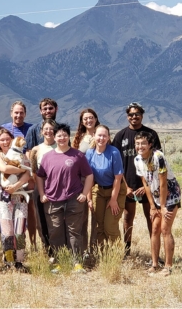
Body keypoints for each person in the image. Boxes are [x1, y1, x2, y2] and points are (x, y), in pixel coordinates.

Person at [36, 123, 93, 273]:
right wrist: (42, 194)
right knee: (55, 231)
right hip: (53, 200)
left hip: (74, 198)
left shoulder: (77, 155)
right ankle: (58, 262)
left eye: (65, 135)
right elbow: (40, 176)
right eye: (59, 135)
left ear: (69, 136)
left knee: (74, 231)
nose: (62, 138)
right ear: (54, 137)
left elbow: (89, 175)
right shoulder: (47, 157)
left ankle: (76, 262)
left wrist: (85, 193)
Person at [112, 102, 161, 257]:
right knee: (128, 217)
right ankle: (126, 252)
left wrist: (147, 185)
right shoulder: (121, 136)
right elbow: (116, 163)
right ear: (127, 117)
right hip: (129, 185)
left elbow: (157, 161)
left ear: (142, 115)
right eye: (131, 114)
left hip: (148, 185)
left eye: (137, 114)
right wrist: (125, 186)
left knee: (151, 217)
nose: (134, 116)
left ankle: (155, 253)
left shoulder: (151, 134)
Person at [134, 131, 181, 276]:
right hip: (155, 196)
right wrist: (153, 207)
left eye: (143, 143)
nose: (140, 146)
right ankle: (154, 264)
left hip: (170, 194)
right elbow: (146, 184)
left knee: (165, 229)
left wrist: (163, 207)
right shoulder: (137, 160)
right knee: (155, 229)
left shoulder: (158, 157)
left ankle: (168, 266)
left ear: (150, 145)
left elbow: (163, 183)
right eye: (137, 143)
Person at [0, 129, 31, 271]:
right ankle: (8, 261)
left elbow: (28, 175)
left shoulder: (22, 155)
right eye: (2, 140)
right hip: (3, 196)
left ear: (13, 140)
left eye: (8, 139)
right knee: (7, 231)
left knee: (20, 230)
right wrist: (23, 168)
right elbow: (5, 168)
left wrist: (16, 186)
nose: (5, 142)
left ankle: (19, 261)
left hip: (19, 194)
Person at [0, 100, 36, 250]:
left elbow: (32, 152)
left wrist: (31, 174)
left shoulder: (31, 129)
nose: (18, 115)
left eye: (21, 112)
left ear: (25, 114)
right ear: (11, 113)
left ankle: (32, 244)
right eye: (16, 112)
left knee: (30, 212)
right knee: (7, 215)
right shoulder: (4, 129)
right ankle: (10, 246)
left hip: (27, 176)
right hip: (9, 176)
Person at [85, 125, 126, 248]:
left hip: (116, 190)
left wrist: (113, 200)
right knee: (99, 225)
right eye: (99, 135)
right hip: (98, 190)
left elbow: (118, 179)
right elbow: (89, 178)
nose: (101, 138)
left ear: (108, 137)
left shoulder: (114, 152)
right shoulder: (89, 153)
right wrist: (89, 199)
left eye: (104, 136)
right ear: (94, 136)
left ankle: (117, 253)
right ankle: (102, 253)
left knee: (110, 225)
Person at [72, 108, 100, 255]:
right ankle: (82, 251)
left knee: (96, 217)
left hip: (99, 181)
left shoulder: (102, 134)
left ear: (95, 118)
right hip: (82, 181)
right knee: (81, 217)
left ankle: (94, 249)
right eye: (85, 119)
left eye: (91, 118)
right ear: (82, 122)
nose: (88, 121)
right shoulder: (79, 138)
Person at [29, 119, 57, 254]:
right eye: (46, 129)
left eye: (51, 129)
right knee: (41, 219)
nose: (48, 131)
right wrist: (40, 188)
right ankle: (47, 249)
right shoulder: (36, 149)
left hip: (58, 188)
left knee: (56, 219)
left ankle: (59, 247)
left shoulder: (61, 147)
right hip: (40, 187)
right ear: (41, 132)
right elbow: (33, 170)